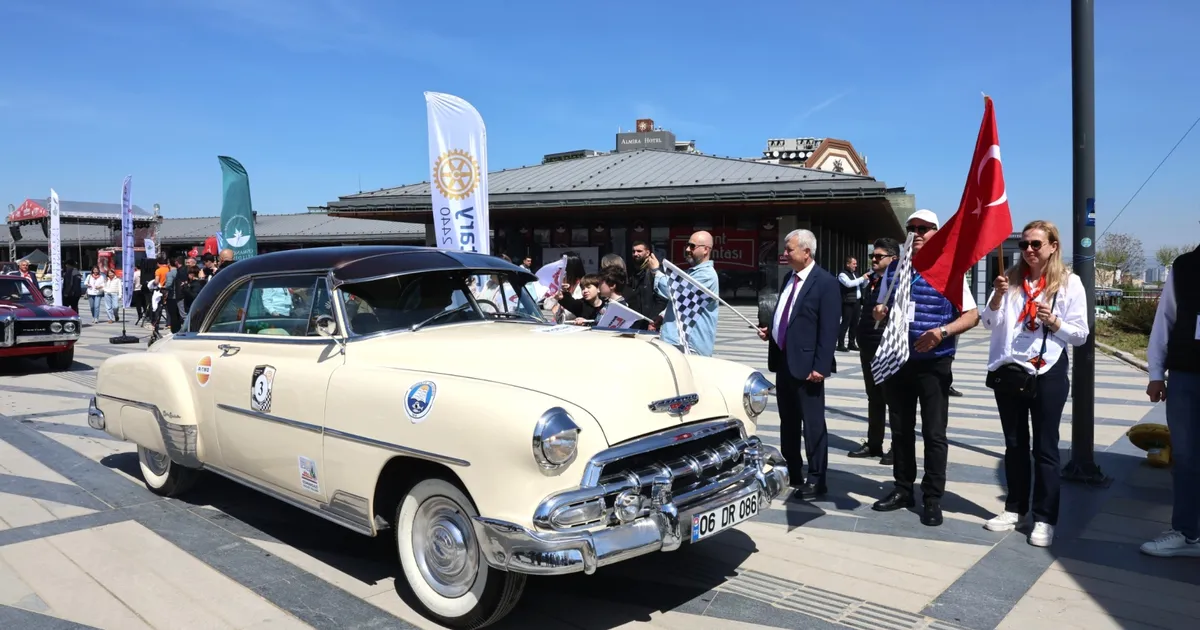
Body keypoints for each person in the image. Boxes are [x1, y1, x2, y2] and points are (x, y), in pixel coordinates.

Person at [980, 220, 1088, 547]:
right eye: (1024, 244)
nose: (1028, 250)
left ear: (1053, 246)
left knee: (1045, 448)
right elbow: (988, 322)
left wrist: (1054, 321)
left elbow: (1081, 335)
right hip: (1011, 370)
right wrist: (997, 299)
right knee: (1014, 444)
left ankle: (1044, 518)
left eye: (1036, 244)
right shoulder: (1010, 280)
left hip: (1048, 370)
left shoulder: (1069, 284)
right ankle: (1015, 509)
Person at [871, 209, 981, 527]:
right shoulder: (895, 271)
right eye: (912, 228)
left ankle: (932, 498)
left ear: (937, 232)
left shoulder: (950, 270)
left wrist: (942, 332)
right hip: (899, 360)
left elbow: (972, 315)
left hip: (935, 363)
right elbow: (884, 308)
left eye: (924, 228)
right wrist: (880, 312)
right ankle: (903, 489)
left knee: (934, 434)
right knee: (901, 431)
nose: (917, 233)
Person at [757, 229, 840, 497]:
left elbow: (829, 330)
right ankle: (793, 470)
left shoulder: (825, 283)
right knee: (788, 422)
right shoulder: (789, 280)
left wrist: (821, 366)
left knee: (813, 425)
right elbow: (788, 316)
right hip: (784, 362)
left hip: (808, 368)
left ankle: (817, 478)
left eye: (789, 249)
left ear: (806, 252)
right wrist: (771, 331)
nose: (785, 254)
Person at [1142, 243, 1200, 558]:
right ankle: (1187, 533)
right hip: (1187, 375)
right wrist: (1155, 373)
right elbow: (1165, 320)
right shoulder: (1186, 266)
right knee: (1187, 458)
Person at [848, 238, 899, 464]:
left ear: (893, 259)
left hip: (886, 348)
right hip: (867, 347)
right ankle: (874, 443)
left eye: (879, 256)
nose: (874, 260)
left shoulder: (898, 283)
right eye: (873, 256)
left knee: (894, 401)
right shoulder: (871, 282)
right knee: (874, 398)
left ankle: (898, 448)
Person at [646, 231, 719, 356]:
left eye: (692, 246)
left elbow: (676, 293)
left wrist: (656, 271)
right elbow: (686, 304)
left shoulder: (706, 275)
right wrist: (663, 316)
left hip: (690, 346)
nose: (687, 249)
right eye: (687, 245)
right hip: (677, 342)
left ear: (706, 250)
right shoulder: (692, 273)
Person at [627, 241, 667, 326]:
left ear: (647, 252)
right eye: (633, 251)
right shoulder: (634, 271)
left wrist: (653, 320)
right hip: (637, 321)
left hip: (650, 322)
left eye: (639, 251)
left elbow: (662, 299)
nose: (635, 254)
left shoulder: (655, 272)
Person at [837, 256, 871, 352]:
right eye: (854, 264)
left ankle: (851, 343)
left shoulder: (856, 274)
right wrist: (861, 278)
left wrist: (866, 280)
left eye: (856, 264)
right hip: (847, 302)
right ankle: (840, 344)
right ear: (848, 264)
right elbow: (849, 284)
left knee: (855, 323)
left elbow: (861, 285)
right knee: (845, 322)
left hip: (856, 302)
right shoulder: (842, 275)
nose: (856, 266)